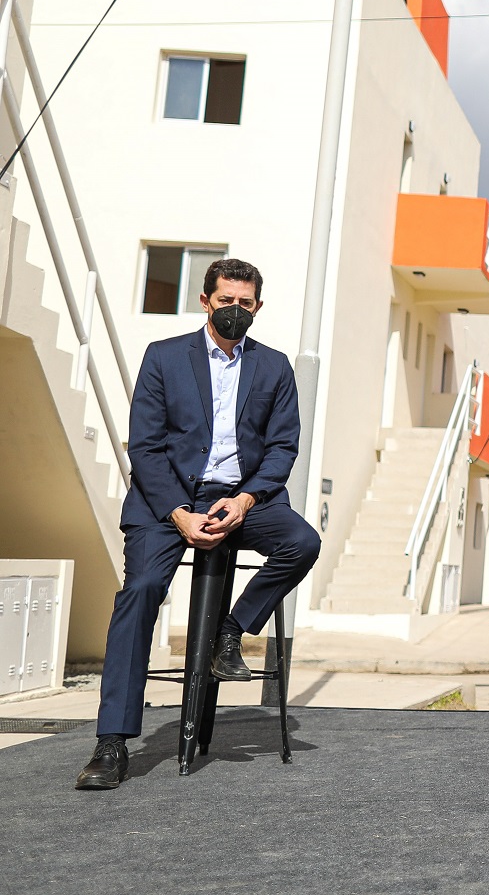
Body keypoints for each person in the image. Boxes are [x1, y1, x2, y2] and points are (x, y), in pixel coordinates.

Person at [76, 259, 321, 791]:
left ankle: (228, 633)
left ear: (258, 306)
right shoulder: (164, 357)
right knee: (139, 591)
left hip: (239, 498)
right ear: (206, 300)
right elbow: (144, 445)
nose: (236, 310)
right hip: (167, 500)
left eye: (246, 302)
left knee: (302, 542)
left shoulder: (275, 367)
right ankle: (113, 741)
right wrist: (179, 514)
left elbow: (283, 447)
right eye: (226, 300)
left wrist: (248, 499)